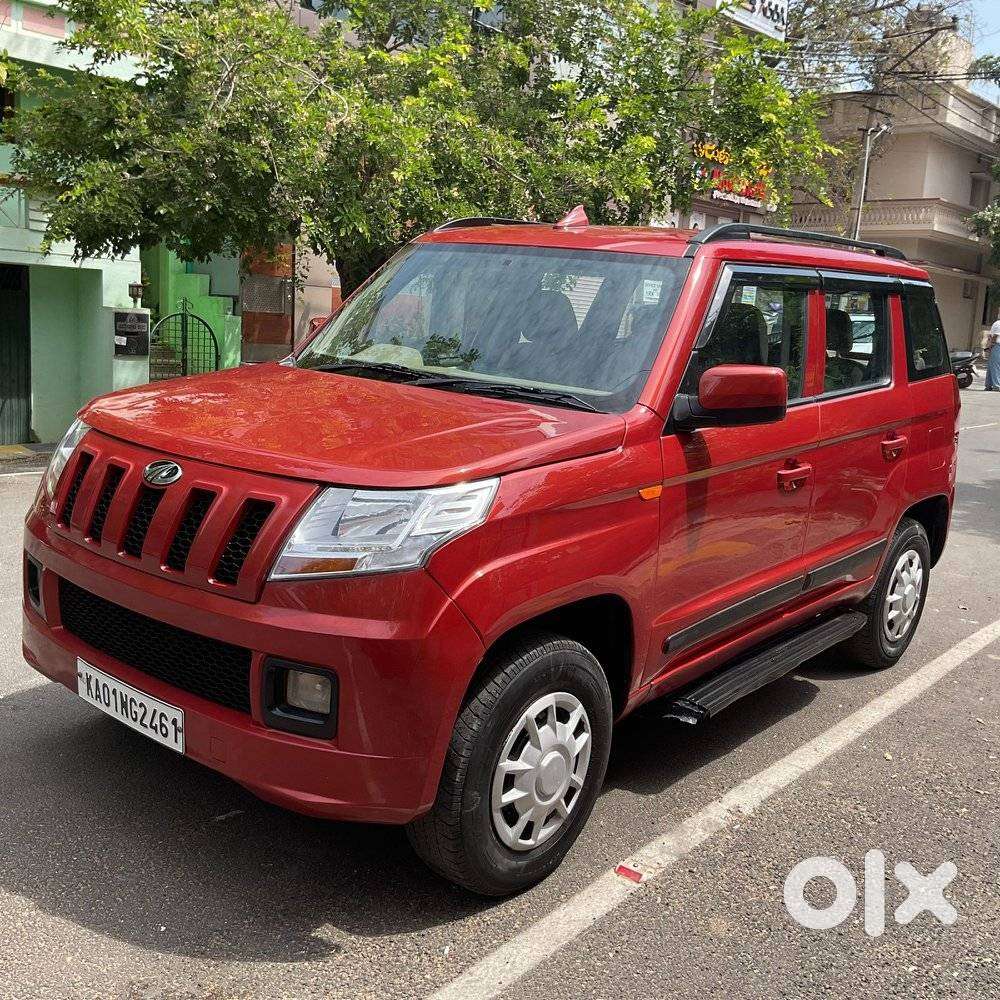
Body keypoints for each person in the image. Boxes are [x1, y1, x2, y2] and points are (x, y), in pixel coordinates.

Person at [987, 319, 1000, 391]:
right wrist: (991, 345)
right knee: (996, 366)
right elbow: (995, 336)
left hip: (995, 346)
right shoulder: (999, 324)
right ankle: (997, 385)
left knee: (991, 365)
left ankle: (988, 385)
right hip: (997, 345)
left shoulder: (996, 323)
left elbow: (990, 335)